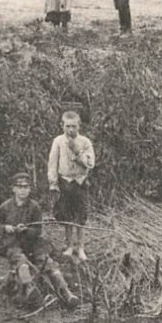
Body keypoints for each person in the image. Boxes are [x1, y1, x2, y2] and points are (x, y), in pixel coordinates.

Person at [0, 172, 79, 308]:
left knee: (47, 261)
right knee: (20, 261)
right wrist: (6, 228)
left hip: (31, 242)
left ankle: (67, 293)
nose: (23, 190)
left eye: (26, 187)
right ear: (14, 189)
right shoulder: (5, 207)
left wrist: (26, 230)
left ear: (29, 189)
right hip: (13, 242)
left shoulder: (34, 207)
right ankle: (29, 290)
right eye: (20, 187)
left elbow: (38, 230)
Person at [47, 111, 95, 261]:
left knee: (81, 215)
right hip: (64, 182)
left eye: (74, 126)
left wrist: (77, 151)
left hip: (80, 183)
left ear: (79, 125)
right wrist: (53, 183)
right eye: (67, 126)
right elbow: (52, 163)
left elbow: (90, 164)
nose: (70, 130)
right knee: (67, 214)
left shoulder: (85, 142)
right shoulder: (58, 141)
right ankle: (69, 246)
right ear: (62, 125)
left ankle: (80, 247)